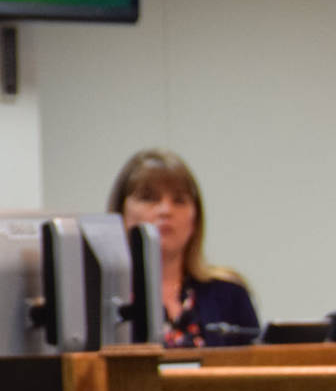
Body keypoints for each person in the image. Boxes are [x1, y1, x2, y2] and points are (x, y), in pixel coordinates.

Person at [109, 148, 258, 347]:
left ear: (195, 219)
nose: (165, 210)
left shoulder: (229, 294)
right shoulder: (104, 301)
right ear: (120, 213)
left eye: (179, 200)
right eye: (149, 198)